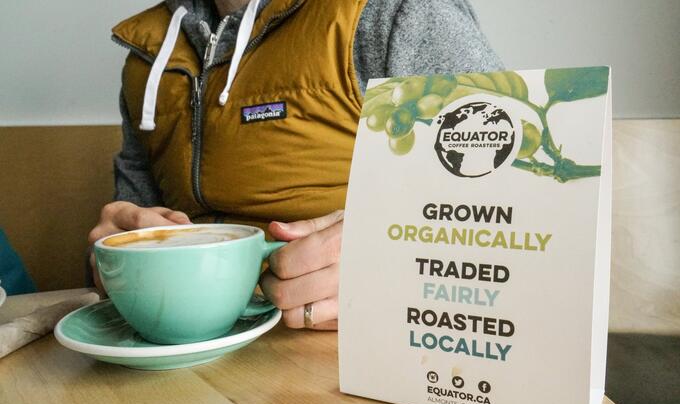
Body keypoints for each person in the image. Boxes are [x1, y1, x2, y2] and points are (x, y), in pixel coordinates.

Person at [88, 0, 502, 331]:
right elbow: (131, 230)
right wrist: (110, 259)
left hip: (350, 366)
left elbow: (518, 210)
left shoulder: (398, 13)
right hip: (188, 370)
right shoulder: (147, 57)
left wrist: (403, 268)